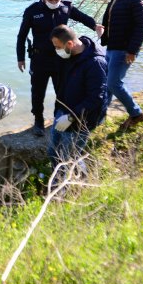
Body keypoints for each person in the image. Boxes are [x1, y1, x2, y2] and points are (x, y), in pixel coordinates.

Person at [16, 0, 104, 137]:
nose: (54, 2)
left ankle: (60, 115)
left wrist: (95, 26)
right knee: (37, 92)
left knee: (63, 90)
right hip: (39, 59)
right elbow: (22, 35)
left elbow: (82, 17)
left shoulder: (65, 7)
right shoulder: (32, 11)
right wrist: (20, 58)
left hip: (61, 59)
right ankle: (38, 120)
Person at [48, 24, 108, 177]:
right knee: (53, 151)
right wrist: (60, 111)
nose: (56, 51)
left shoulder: (96, 63)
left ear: (69, 44)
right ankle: (58, 180)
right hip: (63, 111)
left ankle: (77, 182)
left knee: (70, 157)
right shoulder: (68, 55)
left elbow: (96, 99)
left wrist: (71, 117)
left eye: (58, 47)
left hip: (81, 120)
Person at [101, 0, 143, 132]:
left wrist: (132, 51)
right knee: (107, 84)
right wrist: (103, 31)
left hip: (123, 50)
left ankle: (136, 113)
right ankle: (100, 116)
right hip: (113, 47)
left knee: (114, 83)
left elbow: (142, 26)